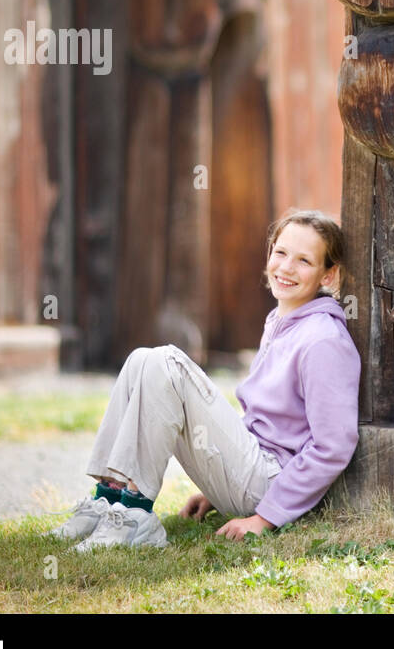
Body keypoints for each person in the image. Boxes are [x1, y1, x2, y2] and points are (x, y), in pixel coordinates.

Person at [47, 209, 361, 551]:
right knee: (142, 360)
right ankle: (109, 500)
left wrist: (264, 517)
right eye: (281, 252)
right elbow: (264, 425)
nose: (286, 267)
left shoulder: (324, 340)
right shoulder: (282, 320)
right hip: (251, 470)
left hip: (271, 484)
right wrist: (216, 488)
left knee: (168, 363)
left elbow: (334, 446)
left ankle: (136, 516)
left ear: (328, 276)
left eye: (304, 261)